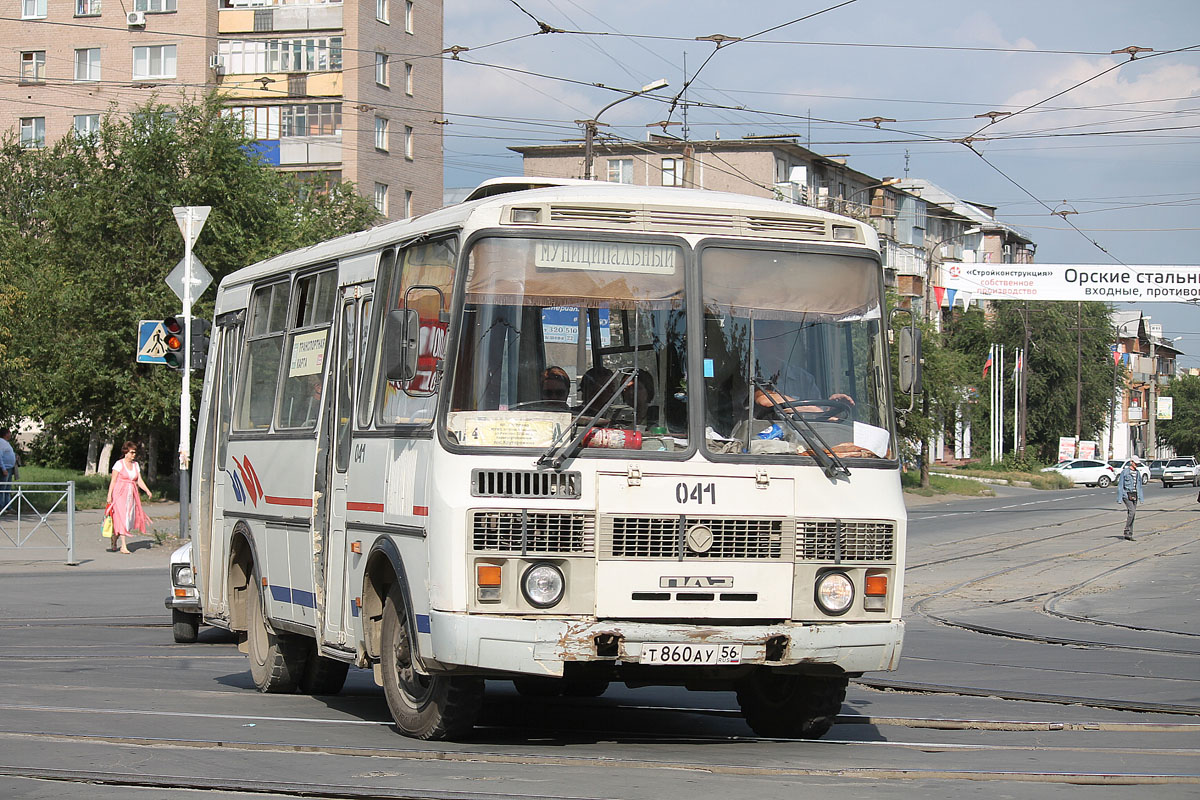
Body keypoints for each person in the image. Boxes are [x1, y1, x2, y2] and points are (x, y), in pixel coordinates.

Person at [106, 441, 153, 554]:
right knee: (122, 517)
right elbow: (113, 480)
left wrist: (147, 490)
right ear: (126, 452)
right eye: (131, 452)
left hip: (131, 494)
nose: (133, 455)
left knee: (128, 518)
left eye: (134, 452)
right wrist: (109, 495)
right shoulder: (119, 464)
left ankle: (115, 537)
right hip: (119, 494)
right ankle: (123, 545)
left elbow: (139, 480)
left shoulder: (135, 465)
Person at [1117, 456, 1143, 541]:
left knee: (1132, 514)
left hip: (1134, 495)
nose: (1136, 465)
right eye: (1135, 463)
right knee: (1132, 511)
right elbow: (1120, 485)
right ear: (1131, 462)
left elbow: (1139, 486)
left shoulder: (1138, 473)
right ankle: (1126, 529)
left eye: (1137, 463)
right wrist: (1120, 498)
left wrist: (1141, 497)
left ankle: (1129, 534)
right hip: (1126, 495)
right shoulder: (1125, 472)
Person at [0, 429, 15, 515]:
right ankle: (2, 507)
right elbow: (0, 457)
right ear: (5, 434)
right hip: (5, 469)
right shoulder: (1, 442)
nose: (10, 434)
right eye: (9, 433)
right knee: (3, 489)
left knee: (7, 489)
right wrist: (3, 468)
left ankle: (8, 506)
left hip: (9, 468)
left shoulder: (6, 443)